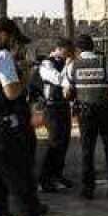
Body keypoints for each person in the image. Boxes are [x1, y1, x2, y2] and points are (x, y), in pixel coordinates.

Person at [0, 18, 68, 216]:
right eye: (15, 40)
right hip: (6, 132)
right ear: (5, 35)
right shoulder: (2, 55)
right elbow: (11, 91)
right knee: (22, 186)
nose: (16, 45)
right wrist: (24, 75)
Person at [65, 34, 108, 200]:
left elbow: (67, 92)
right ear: (92, 47)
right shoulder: (104, 62)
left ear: (78, 49)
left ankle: (87, 188)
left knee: (87, 149)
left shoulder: (72, 65)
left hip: (84, 113)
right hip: (104, 111)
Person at [37, 39, 75, 192]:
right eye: (66, 50)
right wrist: (68, 68)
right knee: (54, 143)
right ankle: (45, 179)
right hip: (52, 108)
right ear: (58, 49)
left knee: (64, 142)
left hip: (63, 106)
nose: (68, 54)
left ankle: (57, 175)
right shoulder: (47, 63)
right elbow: (57, 78)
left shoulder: (64, 62)